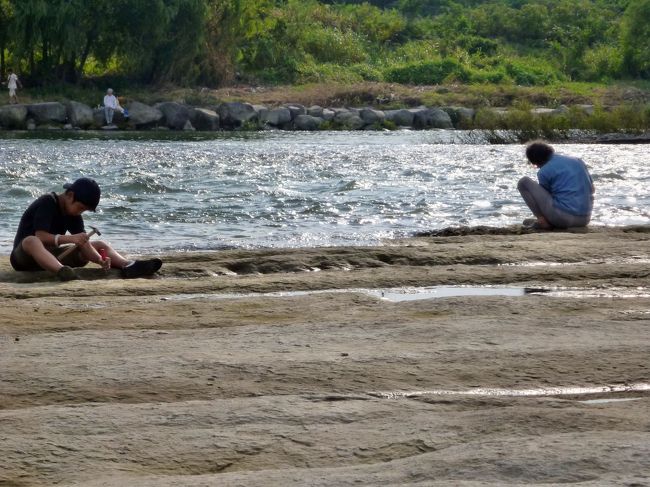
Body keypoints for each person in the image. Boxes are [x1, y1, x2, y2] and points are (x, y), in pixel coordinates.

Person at [10, 177, 163, 281]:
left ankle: (128, 265)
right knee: (32, 240)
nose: (80, 212)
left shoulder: (73, 214)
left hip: (53, 257)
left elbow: (83, 242)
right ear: (70, 196)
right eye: (80, 208)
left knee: (99, 245)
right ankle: (62, 272)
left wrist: (99, 259)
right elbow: (41, 236)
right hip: (24, 257)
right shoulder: (47, 202)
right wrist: (70, 239)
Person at [517, 141, 595, 230]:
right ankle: (548, 221)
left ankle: (542, 221)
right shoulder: (577, 161)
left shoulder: (544, 171)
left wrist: (540, 214)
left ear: (536, 161)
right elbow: (592, 189)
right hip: (585, 219)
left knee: (523, 182)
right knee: (527, 221)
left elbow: (544, 200)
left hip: (564, 218)